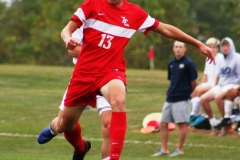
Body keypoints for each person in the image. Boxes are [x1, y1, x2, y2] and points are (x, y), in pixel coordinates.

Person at [38, 0, 215, 160]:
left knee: (117, 104)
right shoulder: (91, 5)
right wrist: (68, 39)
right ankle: (76, 144)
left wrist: (198, 44)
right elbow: (66, 31)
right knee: (65, 125)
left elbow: (166, 29)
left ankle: (113, 158)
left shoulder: (134, 13)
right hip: (83, 75)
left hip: (110, 73)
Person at [37, 27, 112, 160]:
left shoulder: (123, 19)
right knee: (63, 125)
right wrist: (102, 54)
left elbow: (156, 25)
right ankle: (79, 146)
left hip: (109, 77)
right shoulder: (86, 18)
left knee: (109, 126)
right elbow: (73, 50)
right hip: (82, 78)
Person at [151, 41, 198, 157]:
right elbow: (172, 80)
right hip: (170, 97)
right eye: (176, 47)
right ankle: (164, 149)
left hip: (182, 98)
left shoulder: (189, 63)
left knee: (181, 124)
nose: (178, 49)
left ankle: (179, 149)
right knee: (163, 123)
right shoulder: (171, 63)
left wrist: (188, 93)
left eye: (180, 47)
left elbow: (194, 82)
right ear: (173, 49)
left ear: (184, 49)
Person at [200, 37, 240, 135]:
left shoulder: (237, 58)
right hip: (221, 85)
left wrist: (237, 87)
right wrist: (215, 85)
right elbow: (219, 74)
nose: (225, 48)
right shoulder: (222, 59)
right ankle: (213, 124)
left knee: (218, 97)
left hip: (232, 84)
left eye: (227, 45)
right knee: (203, 99)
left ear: (231, 46)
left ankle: (225, 122)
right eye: (223, 46)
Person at [189, 37, 224, 127]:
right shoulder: (207, 59)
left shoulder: (220, 58)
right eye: (210, 47)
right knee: (194, 92)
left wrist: (213, 87)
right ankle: (196, 114)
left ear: (217, 48)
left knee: (199, 91)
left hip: (215, 85)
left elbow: (218, 75)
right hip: (209, 83)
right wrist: (200, 85)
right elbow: (205, 74)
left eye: (214, 47)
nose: (212, 49)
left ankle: (195, 114)